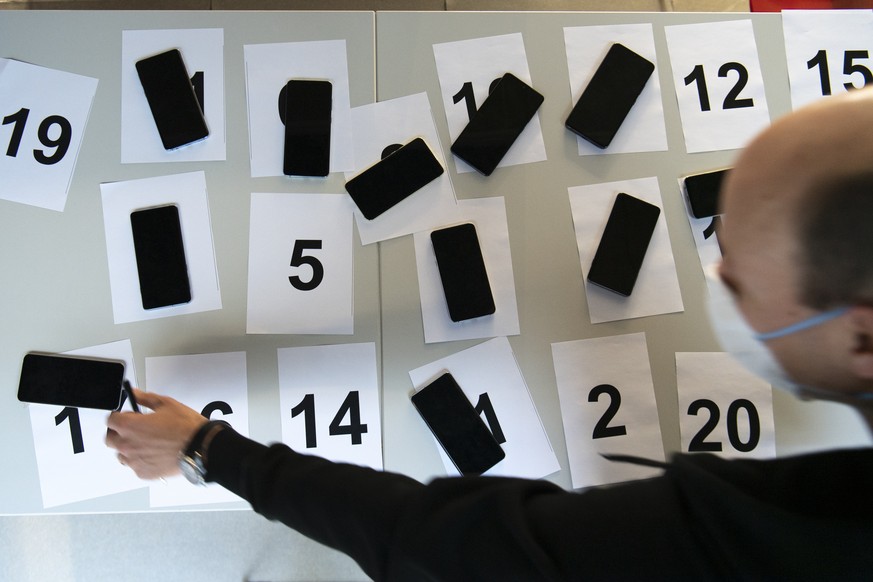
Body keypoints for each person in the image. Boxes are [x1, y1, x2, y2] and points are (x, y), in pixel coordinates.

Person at [106, 89, 873, 581]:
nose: (715, 273)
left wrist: (207, 449)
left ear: (861, 337)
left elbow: (455, 546)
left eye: (732, 273)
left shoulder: (788, 532)